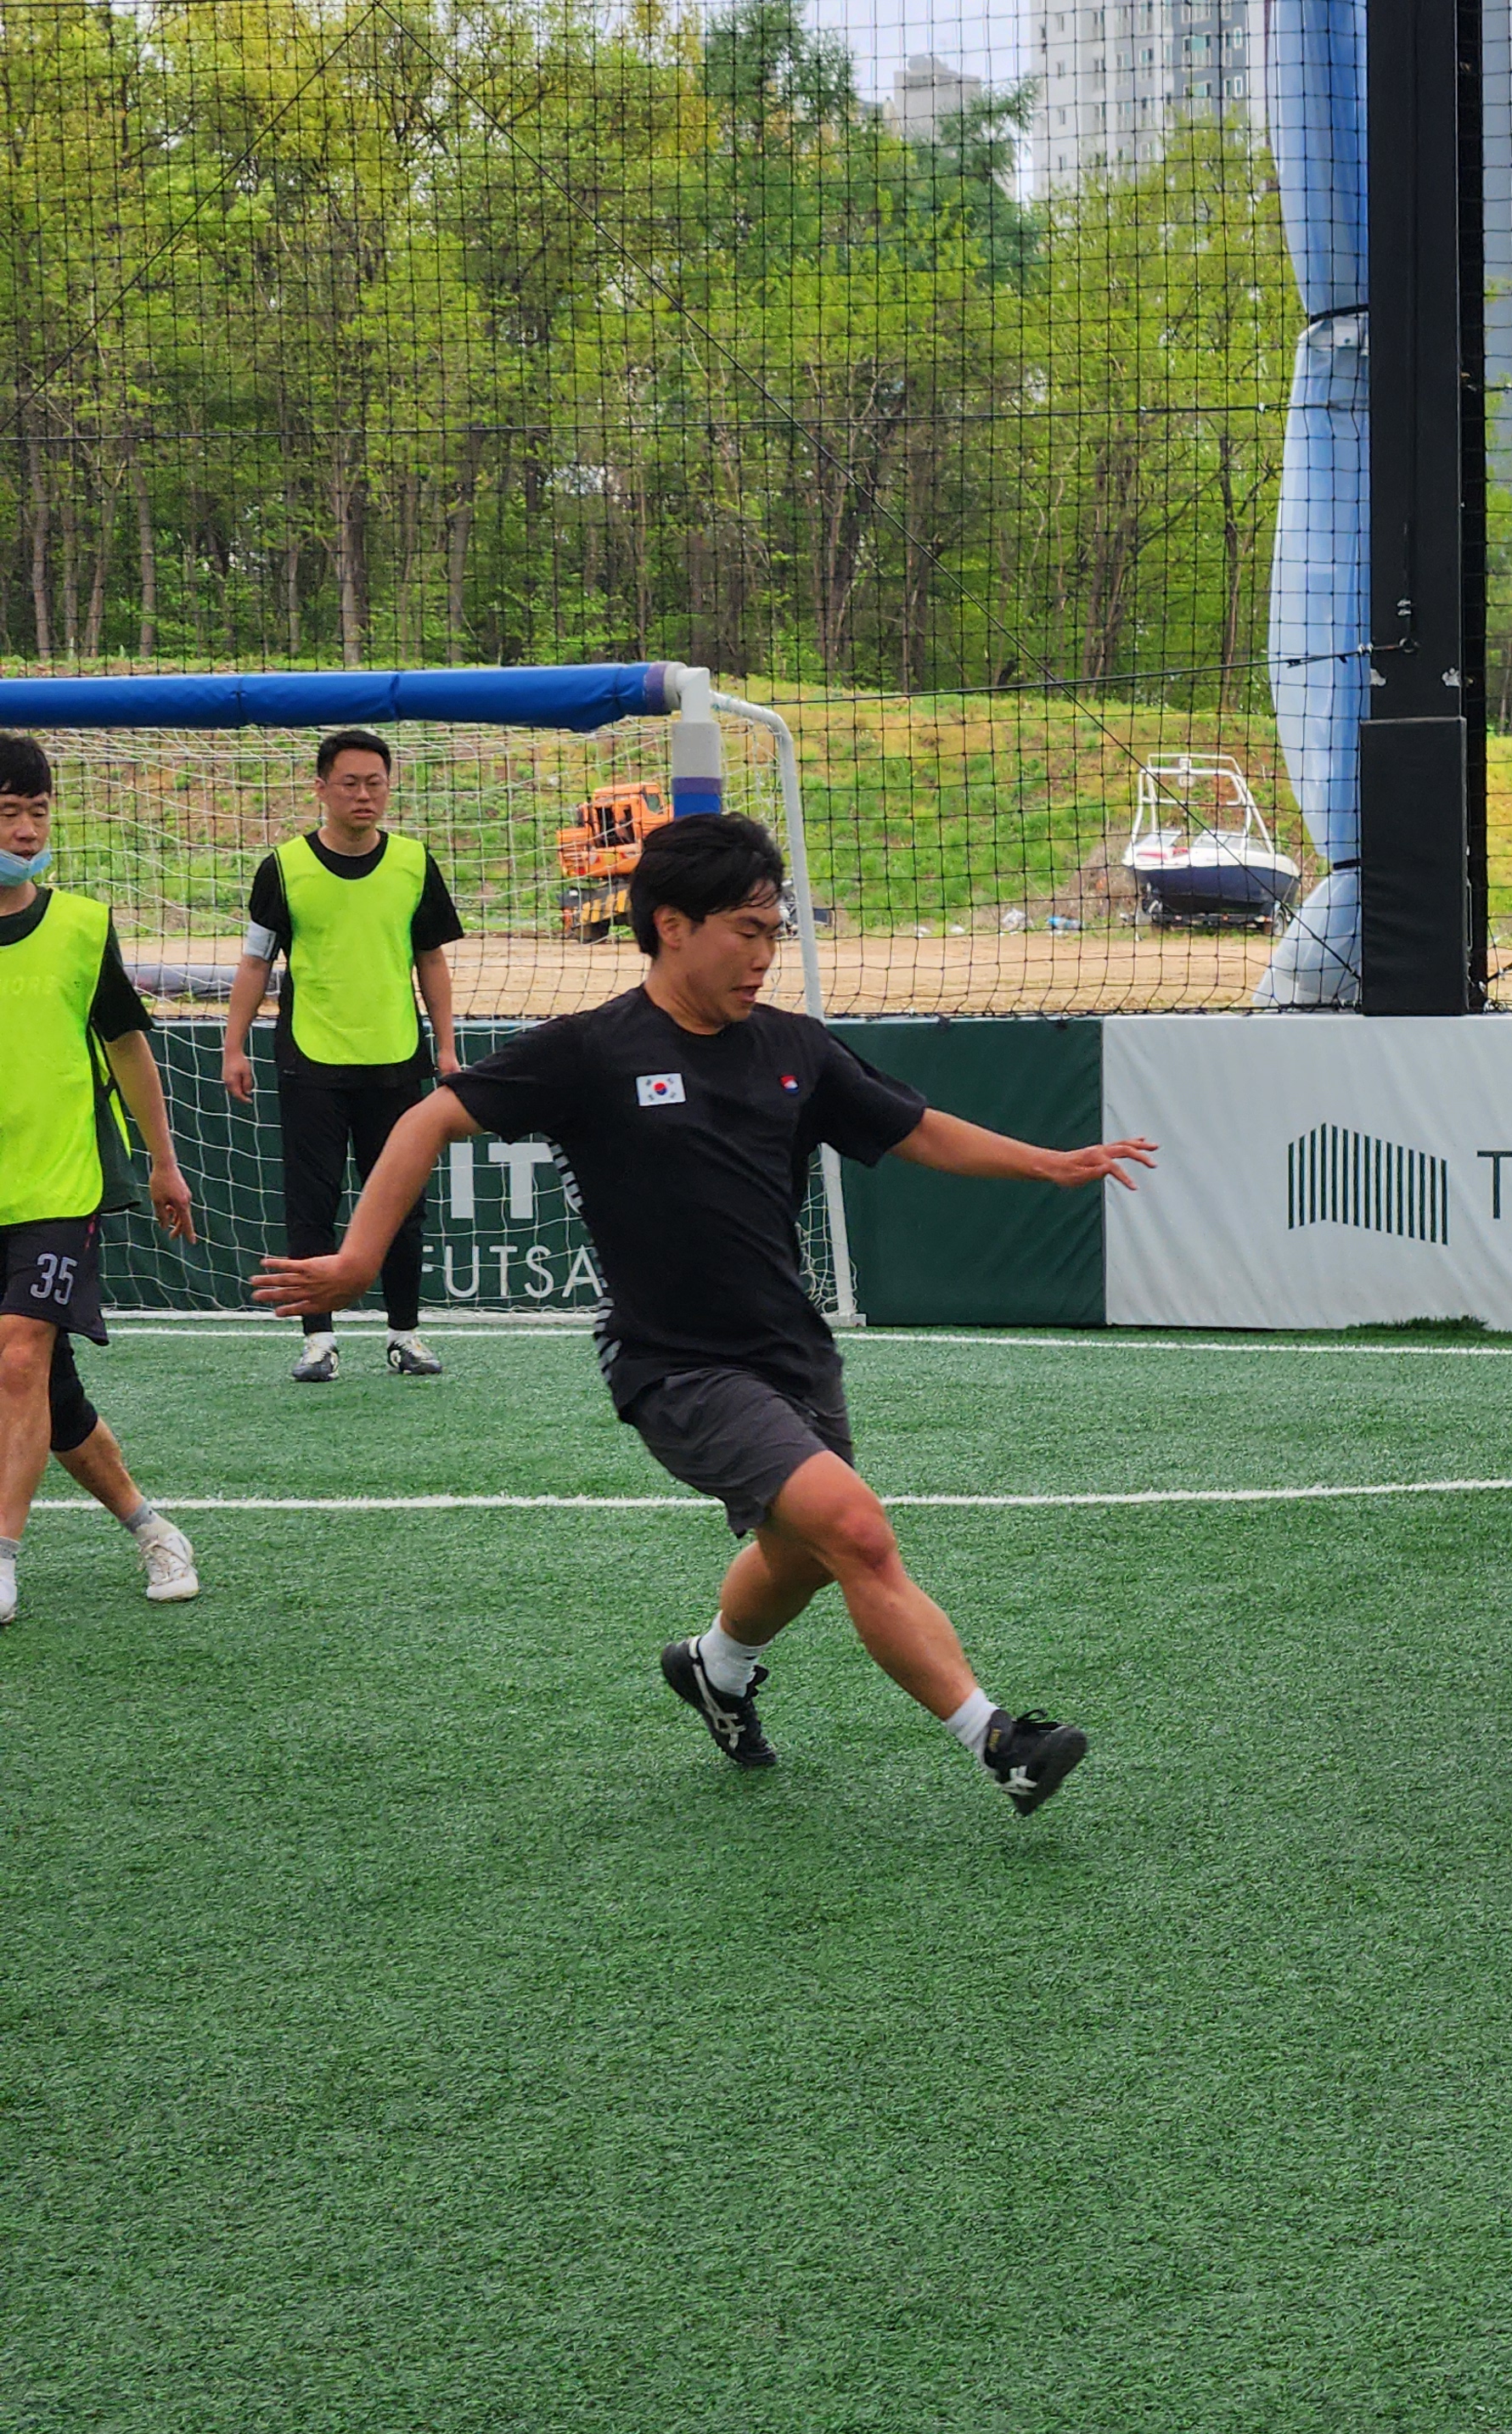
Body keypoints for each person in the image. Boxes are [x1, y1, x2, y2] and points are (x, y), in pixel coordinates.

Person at [252, 812, 1154, 1817]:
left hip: (793, 1354)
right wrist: (358, 1260)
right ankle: (999, 1742)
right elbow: (428, 1116)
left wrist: (1049, 1163)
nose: (764, 955)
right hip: (675, 1366)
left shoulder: (795, 1048)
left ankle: (714, 1667)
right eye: (746, 931)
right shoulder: (590, 1050)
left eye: (774, 932)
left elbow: (916, 1130)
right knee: (856, 1530)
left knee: (803, 1556)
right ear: (672, 926)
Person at [0, 732, 203, 1626]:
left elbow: (127, 1046)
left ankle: (1, 1559)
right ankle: (151, 1526)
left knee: (18, 1355)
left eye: (38, 812)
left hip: (60, 1186)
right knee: (48, 1392)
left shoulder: (82, 926)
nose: (26, 830)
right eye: (9, 813)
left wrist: (164, 1162)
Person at [222, 728, 465, 1381]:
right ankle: (318, 1341)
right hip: (311, 1062)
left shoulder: (413, 862)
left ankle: (405, 1334)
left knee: (403, 1206)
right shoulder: (283, 868)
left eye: (375, 783)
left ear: (388, 788)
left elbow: (431, 960)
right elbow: (254, 963)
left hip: (396, 1060)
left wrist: (446, 1048)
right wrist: (233, 1046)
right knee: (313, 1205)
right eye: (350, 783)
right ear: (321, 788)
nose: (364, 794)